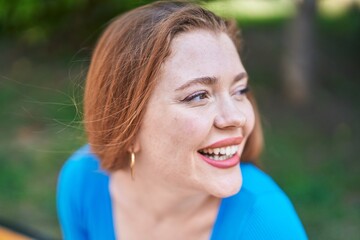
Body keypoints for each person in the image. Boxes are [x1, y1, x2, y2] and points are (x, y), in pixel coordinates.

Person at [57, 1, 308, 239]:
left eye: (239, 90)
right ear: (127, 127)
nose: (237, 117)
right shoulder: (82, 181)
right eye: (199, 95)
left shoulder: (267, 225)